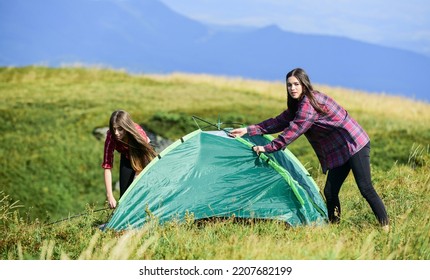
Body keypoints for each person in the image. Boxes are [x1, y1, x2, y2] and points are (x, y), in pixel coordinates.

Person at [229, 68, 389, 231]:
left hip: (355, 144)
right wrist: (248, 130)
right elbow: (278, 122)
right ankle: (335, 229)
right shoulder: (298, 104)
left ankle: (386, 228)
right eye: (289, 85)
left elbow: (295, 130)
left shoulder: (309, 103)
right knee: (330, 191)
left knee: (365, 188)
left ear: (304, 84)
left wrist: (268, 148)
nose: (292, 88)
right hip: (340, 150)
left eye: (296, 84)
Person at [102, 110, 157, 209]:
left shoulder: (137, 132)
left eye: (120, 129)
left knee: (139, 188)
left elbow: (142, 158)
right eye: (114, 129)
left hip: (143, 152)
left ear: (126, 128)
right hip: (126, 155)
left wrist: (137, 177)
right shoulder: (111, 136)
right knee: (124, 196)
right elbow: (107, 166)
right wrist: (109, 195)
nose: (116, 133)